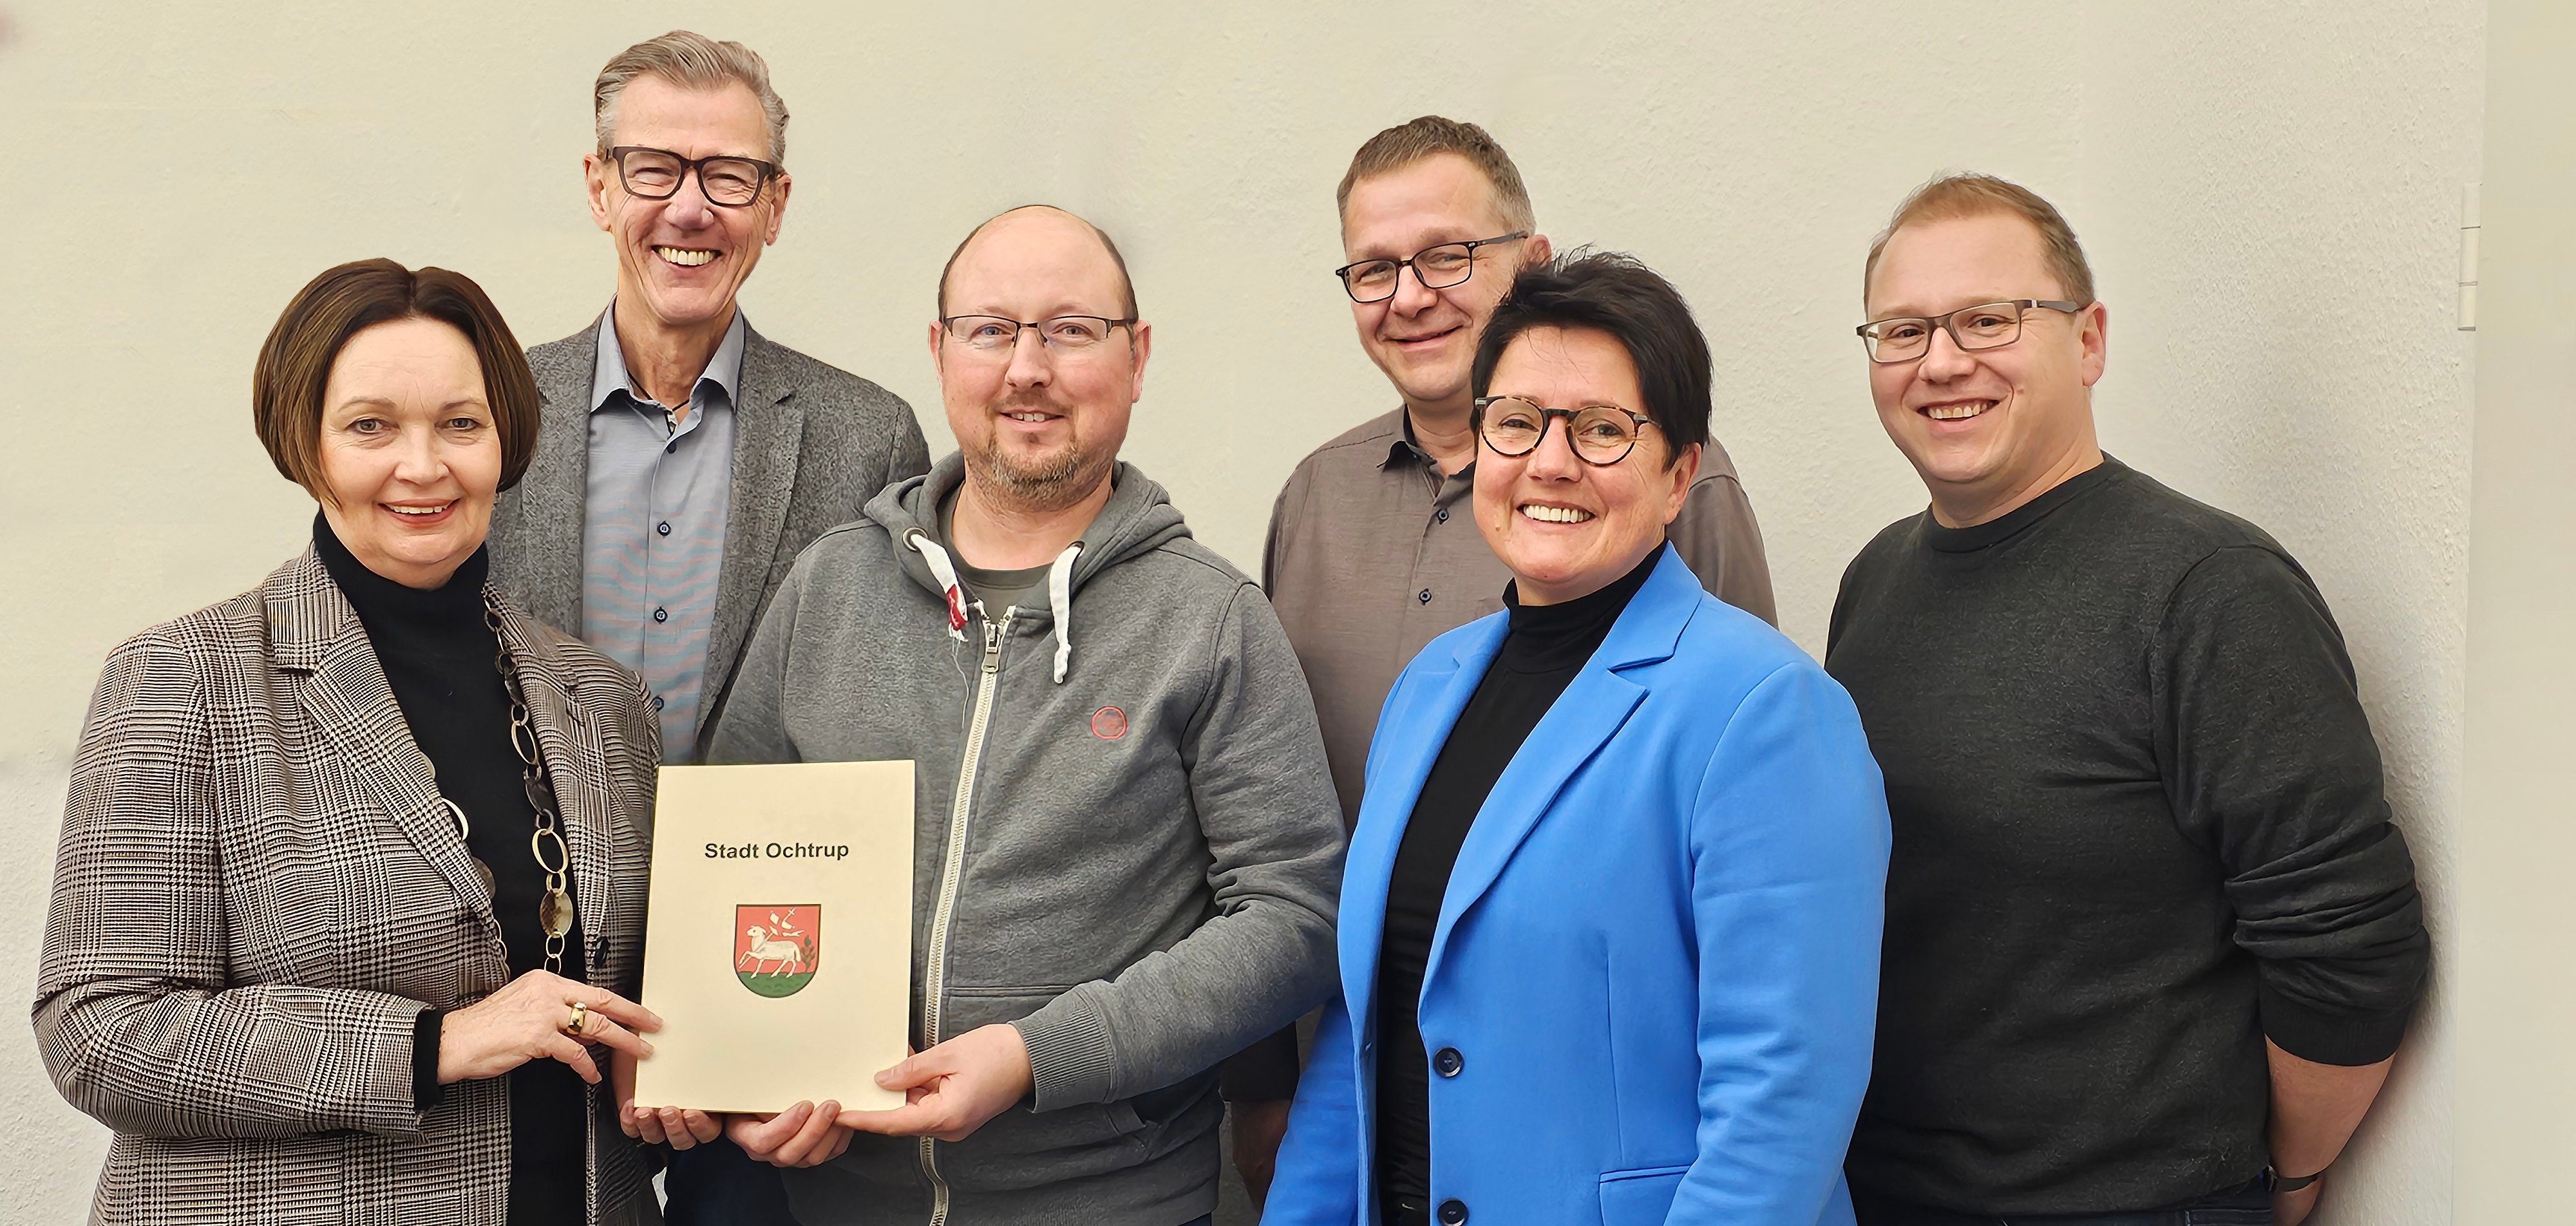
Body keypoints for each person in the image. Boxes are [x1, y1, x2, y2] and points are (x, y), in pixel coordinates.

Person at [699, 205, 1345, 1225]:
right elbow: (725, 860)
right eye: (991, 329)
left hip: (1109, 1200)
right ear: (940, 352)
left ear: (1136, 359)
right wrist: (739, 1073)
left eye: (1071, 330)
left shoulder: (1212, 621)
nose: (1027, 368)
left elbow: (1296, 917)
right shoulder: (829, 588)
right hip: (835, 1203)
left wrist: (1038, 1056)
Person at [1828, 173, 2432, 1226]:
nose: (1942, 361)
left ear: (2089, 340)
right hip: (1883, 1191)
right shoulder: (1876, 578)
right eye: (1904, 329)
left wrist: (2281, 1179)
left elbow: (2349, 947)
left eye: (1988, 319)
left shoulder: (2210, 590)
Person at [1263, 250, 1891, 1226]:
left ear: (1680, 474)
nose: (1549, 463)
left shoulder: (1764, 709)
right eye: (1516, 423)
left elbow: (1780, 1109)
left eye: (1603, 430)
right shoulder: (1428, 688)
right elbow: (1363, 1033)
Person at [33, 259, 668, 1224]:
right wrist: (433, 1044)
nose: (423, 466)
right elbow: (100, 1031)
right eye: (371, 426)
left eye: (461, 423)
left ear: (507, 441)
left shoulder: (602, 699)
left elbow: (632, 992)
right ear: (307, 445)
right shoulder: (183, 679)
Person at [1236, 120, 1779, 1193]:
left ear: (1530, 264)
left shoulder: (1691, 510)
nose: (1411, 295)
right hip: (1363, 1094)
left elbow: (1741, 862)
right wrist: (1268, 1088)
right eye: (1375, 269)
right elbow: (1267, 827)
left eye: (1448, 256)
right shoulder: (1313, 500)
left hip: (1588, 1136)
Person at [482, 34, 927, 1216]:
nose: (691, 208)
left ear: (775, 206)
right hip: (532, 995)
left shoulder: (866, 437)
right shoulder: (495, 419)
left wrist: (814, 1030)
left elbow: (880, 736)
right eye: (652, 170)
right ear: (597, 187)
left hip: (768, 1001)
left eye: (729, 175)